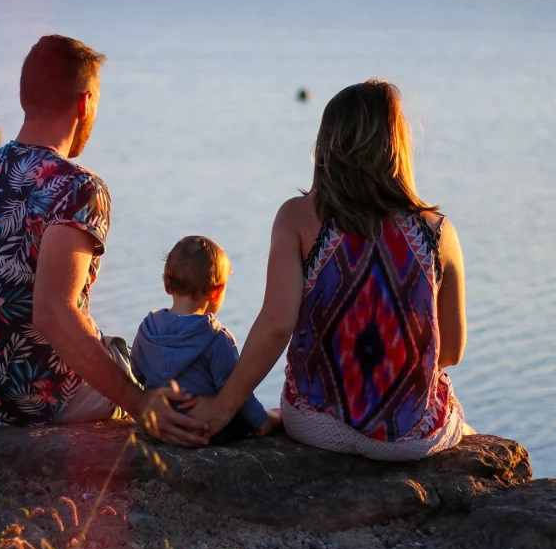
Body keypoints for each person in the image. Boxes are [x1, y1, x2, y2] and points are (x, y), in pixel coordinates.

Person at [185, 80, 470, 460]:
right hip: (410, 439)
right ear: (398, 146)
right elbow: (450, 351)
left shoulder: (297, 217)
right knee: (462, 424)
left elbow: (275, 326)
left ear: (327, 144)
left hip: (316, 425)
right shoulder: (438, 232)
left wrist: (223, 407)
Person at [0, 34, 208, 446]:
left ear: (24, 98)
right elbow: (54, 313)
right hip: (46, 402)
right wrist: (139, 403)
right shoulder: (77, 188)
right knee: (166, 365)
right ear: (86, 102)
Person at [130, 236, 282, 444]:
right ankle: (271, 416)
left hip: (161, 422)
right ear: (217, 291)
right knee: (244, 413)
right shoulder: (217, 338)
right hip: (202, 426)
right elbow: (236, 388)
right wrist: (262, 421)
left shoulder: (147, 328)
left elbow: (137, 372)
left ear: (167, 284)